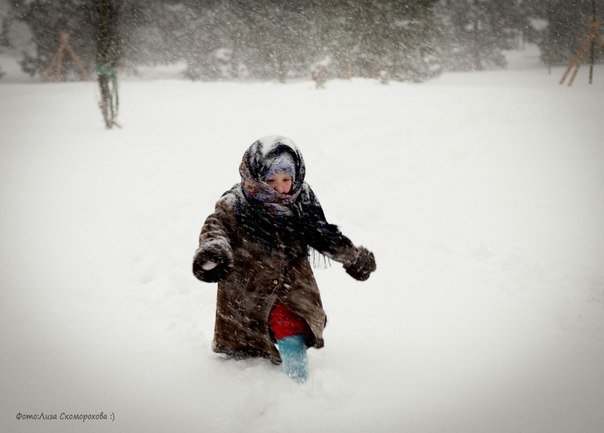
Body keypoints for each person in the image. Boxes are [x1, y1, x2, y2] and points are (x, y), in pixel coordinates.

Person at [192, 135, 376, 383]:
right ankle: (231, 383)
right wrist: (213, 250)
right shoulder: (236, 203)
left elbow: (322, 234)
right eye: (271, 180)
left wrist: (353, 257)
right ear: (255, 177)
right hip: (249, 284)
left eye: (286, 179)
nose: (280, 187)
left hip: (291, 282)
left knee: (290, 327)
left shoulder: (301, 199)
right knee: (243, 339)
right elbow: (215, 227)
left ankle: (297, 384)